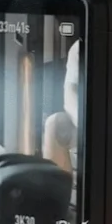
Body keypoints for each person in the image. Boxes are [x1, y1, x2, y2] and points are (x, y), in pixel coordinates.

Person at [42, 40, 79, 172]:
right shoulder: (79, 48)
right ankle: (57, 185)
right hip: (88, 120)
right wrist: (85, 124)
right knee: (54, 124)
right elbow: (70, 93)